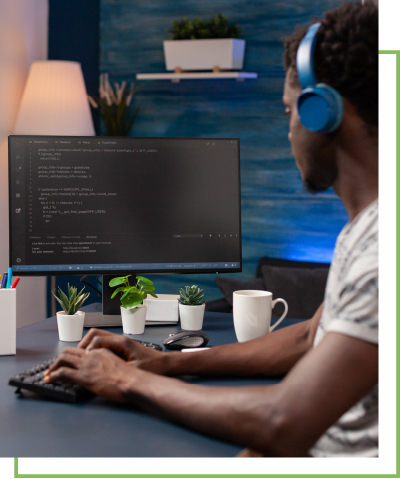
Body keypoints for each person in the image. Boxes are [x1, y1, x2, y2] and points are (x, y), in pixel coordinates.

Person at [44, 1, 378, 457]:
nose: (288, 134)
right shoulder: (363, 232)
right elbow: (306, 338)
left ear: (321, 112)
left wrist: (124, 379)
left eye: (288, 113)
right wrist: (162, 362)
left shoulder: (382, 250)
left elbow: (285, 420)